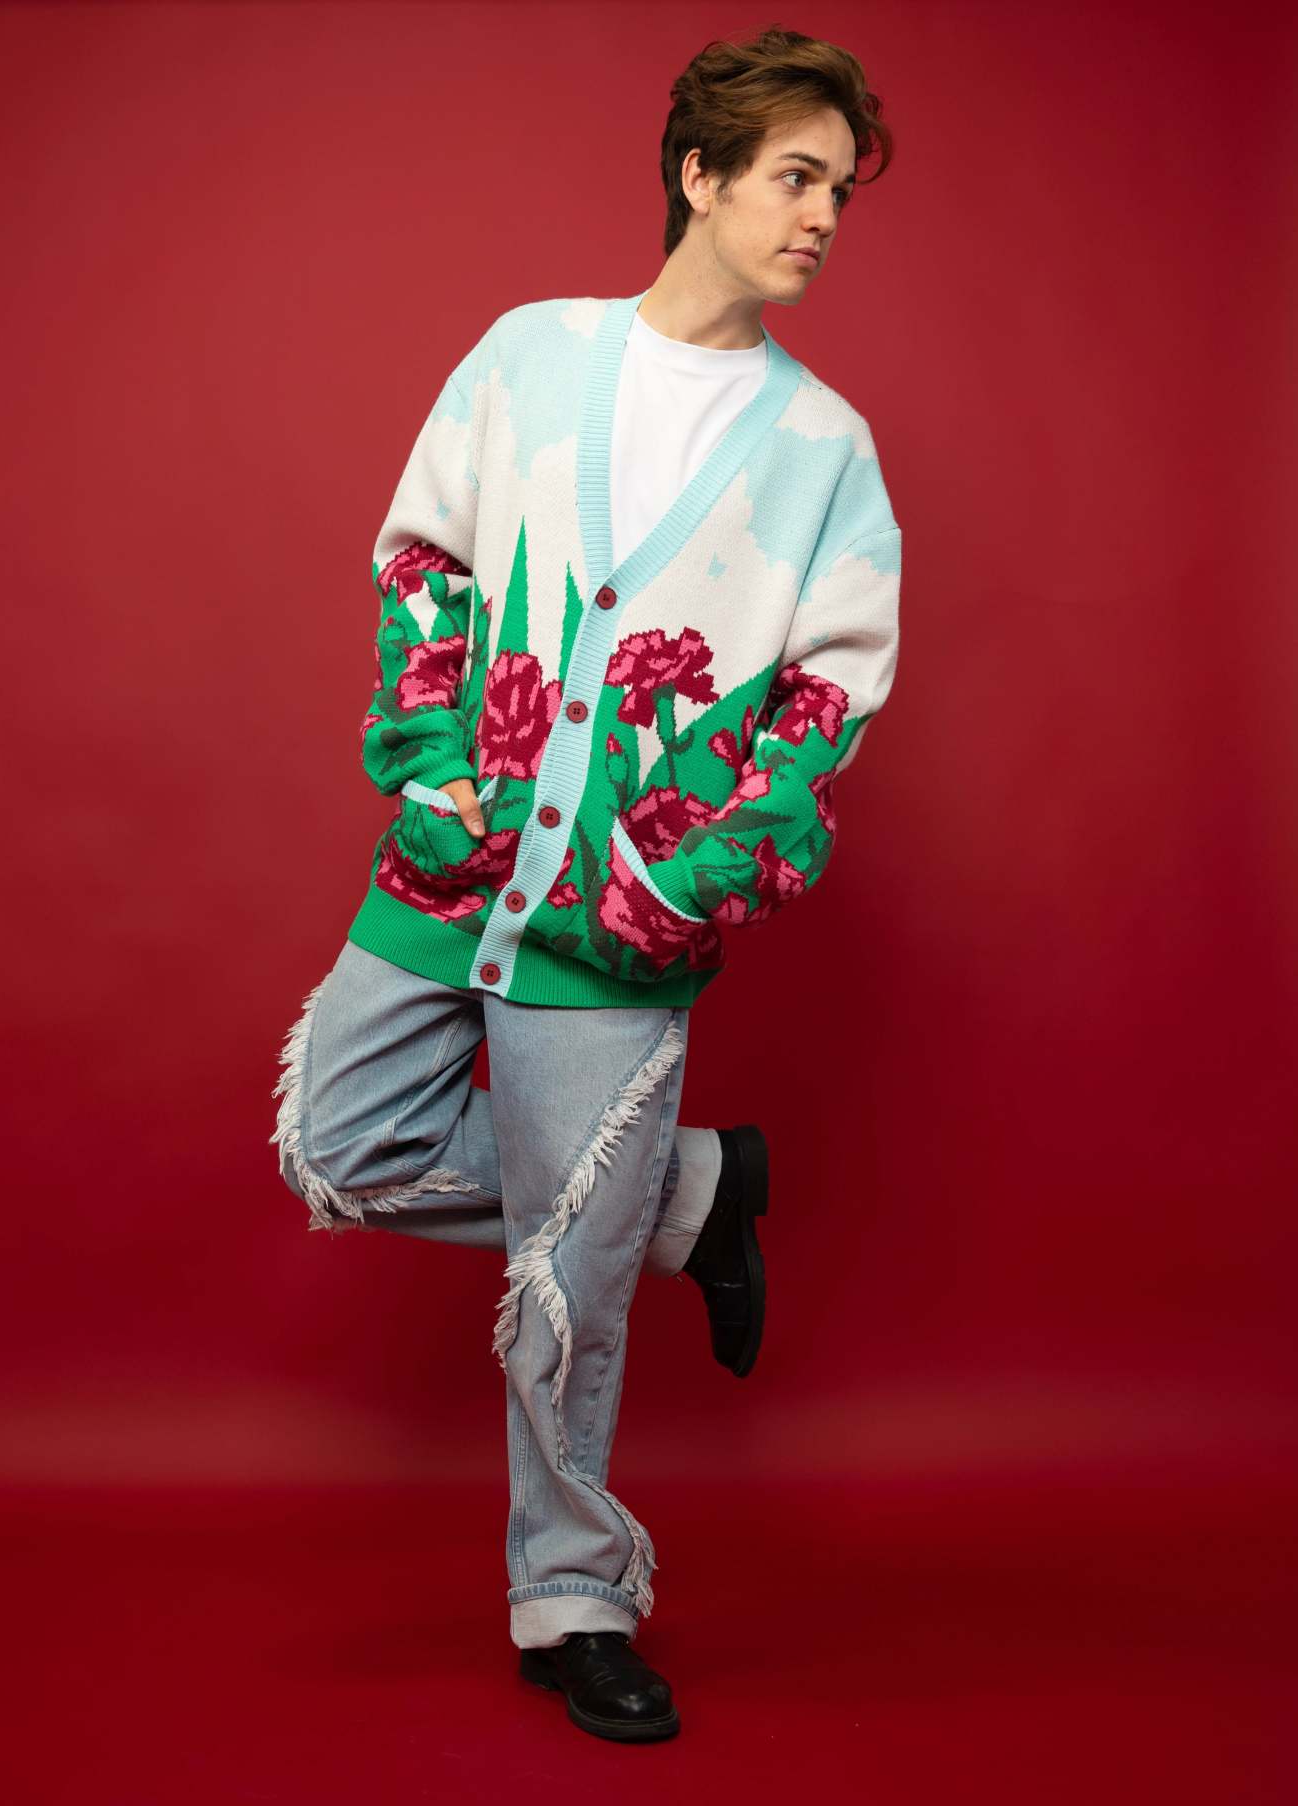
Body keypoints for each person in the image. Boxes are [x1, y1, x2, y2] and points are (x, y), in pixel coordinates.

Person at [271, 25, 900, 1743]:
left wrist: (683, 876)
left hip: (622, 917)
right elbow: (425, 553)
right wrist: (434, 768)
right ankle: (684, 1193)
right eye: (792, 177)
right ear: (698, 173)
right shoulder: (529, 355)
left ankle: (573, 1595)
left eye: (838, 191)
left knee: (569, 1284)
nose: (820, 217)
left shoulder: (823, 446)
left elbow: (825, 695)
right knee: (337, 1138)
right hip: (459, 860)